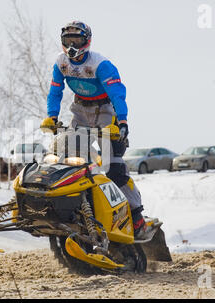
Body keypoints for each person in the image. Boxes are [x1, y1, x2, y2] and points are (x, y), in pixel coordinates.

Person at [46, 21, 148, 239]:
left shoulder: (101, 64)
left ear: (87, 41)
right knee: (66, 160)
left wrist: (122, 122)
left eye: (77, 40)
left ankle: (137, 216)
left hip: (105, 111)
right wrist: (52, 117)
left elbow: (118, 94)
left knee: (114, 168)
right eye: (68, 41)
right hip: (80, 111)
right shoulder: (61, 62)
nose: (72, 46)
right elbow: (55, 92)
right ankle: (70, 211)